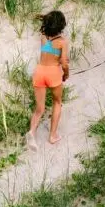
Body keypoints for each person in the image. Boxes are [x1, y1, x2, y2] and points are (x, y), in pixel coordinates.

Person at [28, 10, 69, 148]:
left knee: (39, 109)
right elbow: (64, 63)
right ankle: (52, 136)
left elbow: (49, 49)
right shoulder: (62, 42)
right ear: (61, 26)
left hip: (40, 72)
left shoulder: (43, 37)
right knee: (57, 102)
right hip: (53, 73)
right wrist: (66, 74)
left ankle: (31, 132)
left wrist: (44, 17)